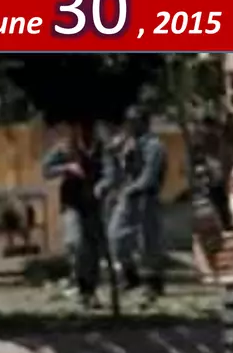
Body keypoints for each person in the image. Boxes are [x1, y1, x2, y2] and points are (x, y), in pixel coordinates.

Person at [102, 107, 169, 301]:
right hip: (128, 197)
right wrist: (114, 153)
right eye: (128, 121)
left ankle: (154, 284)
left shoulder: (154, 146)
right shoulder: (126, 144)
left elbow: (149, 176)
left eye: (134, 121)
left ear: (144, 123)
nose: (130, 125)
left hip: (146, 197)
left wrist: (130, 189)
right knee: (115, 236)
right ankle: (130, 276)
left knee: (148, 243)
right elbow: (114, 172)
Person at [40, 121, 104, 307]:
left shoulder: (102, 148)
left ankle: (90, 291)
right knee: (76, 243)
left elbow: (111, 171)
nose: (86, 130)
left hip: (94, 204)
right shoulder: (65, 148)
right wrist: (66, 168)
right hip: (72, 204)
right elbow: (46, 170)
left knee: (93, 250)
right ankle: (79, 282)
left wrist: (104, 185)